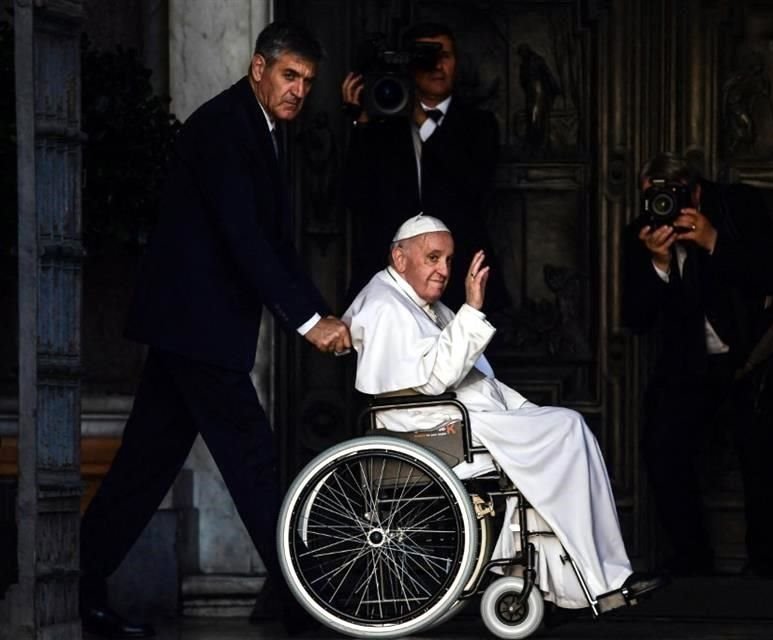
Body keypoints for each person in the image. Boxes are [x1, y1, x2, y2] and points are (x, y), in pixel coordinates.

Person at [78, 22, 351, 638]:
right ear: (259, 67)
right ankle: (306, 606)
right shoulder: (225, 127)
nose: (299, 91)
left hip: (190, 331)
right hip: (197, 330)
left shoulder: (259, 128)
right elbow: (245, 239)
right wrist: (309, 323)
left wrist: (322, 312)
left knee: (142, 469)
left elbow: (274, 246)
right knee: (253, 462)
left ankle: (77, 588)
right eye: (289, 76)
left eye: (307, 82)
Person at [342, 213, 666, 610]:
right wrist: (473, 309)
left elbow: (479, 379)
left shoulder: (421, 302)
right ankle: (600, 582)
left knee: (567, 430)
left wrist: (525, 411)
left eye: (448, 259)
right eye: (433, 258)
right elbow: (433, 381)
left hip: (457, 419)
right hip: (434, 427)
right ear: (400, 256)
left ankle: (583, 578)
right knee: (566, 431)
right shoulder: (385, 306)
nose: (444, 270)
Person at [622, 152, 773, 578]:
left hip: (751, 358)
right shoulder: (642, 233)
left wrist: (715, 241)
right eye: (654, 196)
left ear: (695, 191)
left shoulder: (738, 208)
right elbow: (636, 320)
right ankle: (691, 559)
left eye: (673, 195)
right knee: (661, 447)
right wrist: (658, 265)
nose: (664, 204)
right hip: (687, 365)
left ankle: (767, 565)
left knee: (763, 453)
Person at [341, 22, 504, 310]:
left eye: (445, 56)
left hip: (459, 276)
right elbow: (354, 195)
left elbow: (473, 183)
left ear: (457, 62)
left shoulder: (480, 125)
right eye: (426, 58)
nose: (437, 66)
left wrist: (421, 120)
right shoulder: (383, 125)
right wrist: (361, 123)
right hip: (392, 280)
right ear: (409, 66)